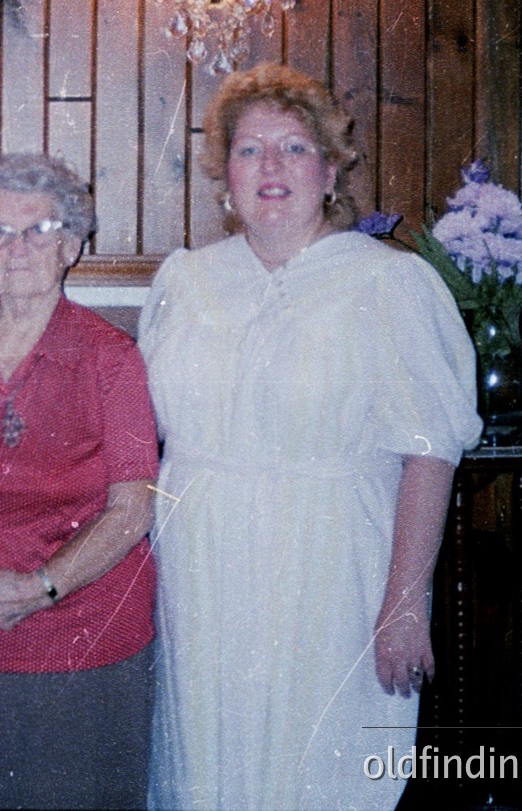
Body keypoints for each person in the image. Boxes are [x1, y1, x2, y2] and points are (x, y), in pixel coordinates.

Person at [138, 63, 482, 810]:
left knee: (323, 762)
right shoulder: (187, 282)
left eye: (293, 148)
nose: (270, 167)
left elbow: (430, 451)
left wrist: (404, 604)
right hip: (202, 570)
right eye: (249, 149)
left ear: (331, 170)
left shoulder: (387, 285)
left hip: (333, 568)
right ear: (222, 173)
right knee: (206, 760)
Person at [0, 152, 161, 810]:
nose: (16, 248)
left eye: (39, 231)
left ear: (71, 247)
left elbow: (132, 509)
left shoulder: (111, 358)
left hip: (82, 640)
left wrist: (41, 587)